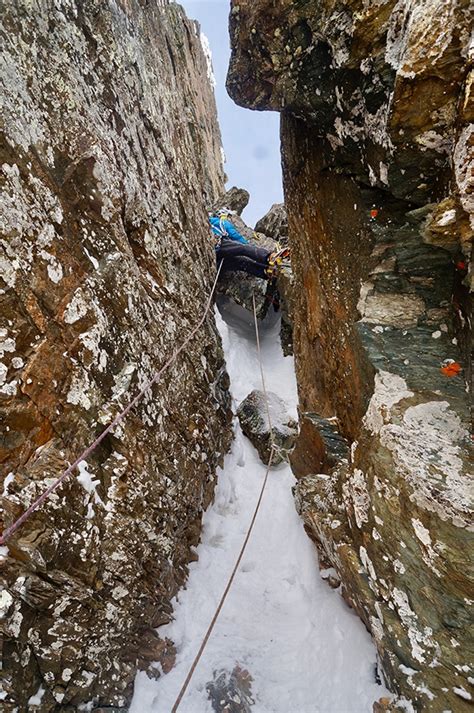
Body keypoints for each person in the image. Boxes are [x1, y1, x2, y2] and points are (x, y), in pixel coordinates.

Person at [209, 209, 289, 280]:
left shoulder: (211, 222)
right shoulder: (220, 222)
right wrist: (247, 246)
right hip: (217, 246)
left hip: (215, 263)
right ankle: (269, 258)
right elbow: (234, 235)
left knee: (239, 262)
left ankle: (265, 272)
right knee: (243, 249)